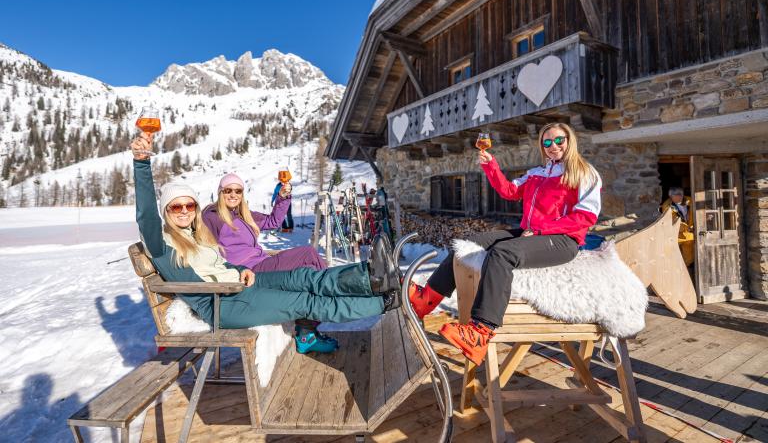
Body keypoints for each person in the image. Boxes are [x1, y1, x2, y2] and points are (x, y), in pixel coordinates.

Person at [130, 132, 401, 339]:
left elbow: (224, 260)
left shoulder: (198, 234)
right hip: (222, 304)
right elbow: (145, 216)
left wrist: (238, 269)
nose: (185, 211)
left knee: (304, 277)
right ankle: (383, 302)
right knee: (304, 301)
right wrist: (142, 163)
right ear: (165, 211)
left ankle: (371, 278)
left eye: (190, 205)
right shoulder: (162, 243)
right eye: (176, 206)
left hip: (241, 284)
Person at [409, 123, 602, 366]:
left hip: (563, 239)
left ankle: (480, 332)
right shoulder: (537, 173)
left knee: (502, 253)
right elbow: (509, 191)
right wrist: (491, 165)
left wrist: (542, 230)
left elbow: (585, 217)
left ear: (569, 140)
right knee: (467, 242)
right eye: (547, 142)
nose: (553, 147)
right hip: (529, 232)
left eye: (559, 140)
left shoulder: (584, 173)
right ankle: (426, 299)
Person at [203, 172, 334, 353]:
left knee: (310, 267)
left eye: (238, 191)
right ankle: (329, 301)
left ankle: (307, 332)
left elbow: (273, 221)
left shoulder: (245, 214)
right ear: (220, 192)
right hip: (250, 271)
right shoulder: (212, 216)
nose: (233, 195)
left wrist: (283, 197)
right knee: (308, 253)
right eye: (228, 190)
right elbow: (199, 239)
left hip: (264, 262)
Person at [661, 187, 695, 266]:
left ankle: (687, 265)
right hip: (676, 232)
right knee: (672, 252)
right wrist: (686, 228)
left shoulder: (690, 201)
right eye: (675, 196)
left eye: (680, 195)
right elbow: (671, 221)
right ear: (670, 196)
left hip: (691, 231)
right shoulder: (667, 206)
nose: (678, 197)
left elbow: (701, 208)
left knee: (689, 251)